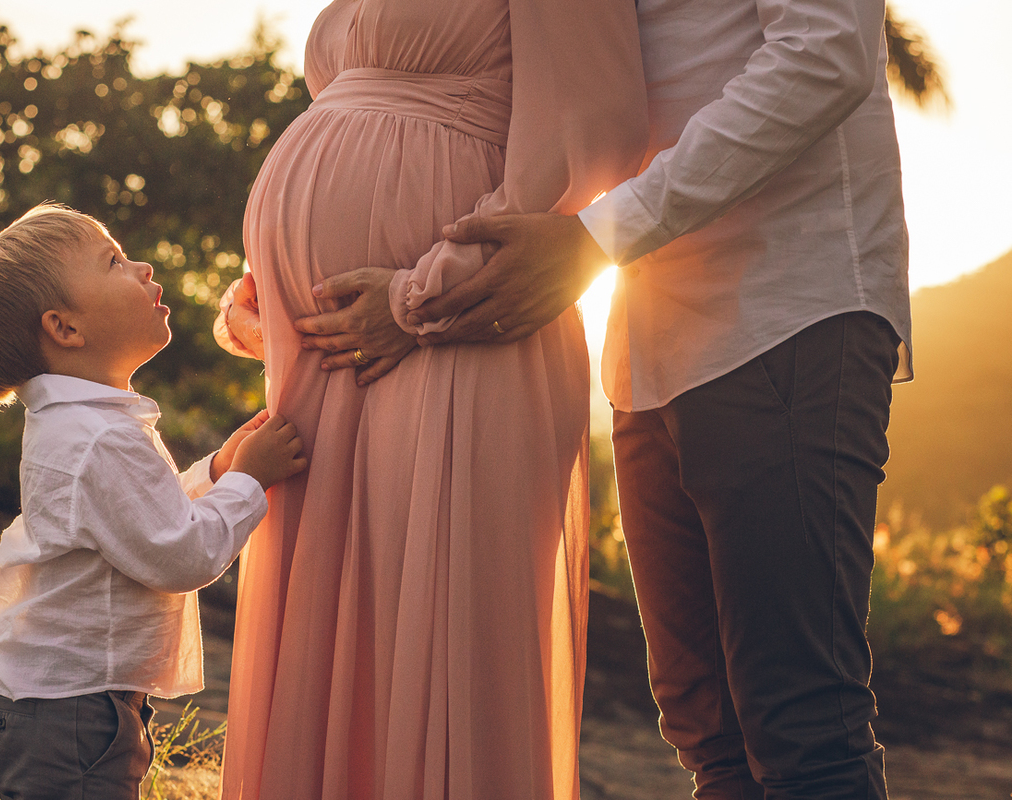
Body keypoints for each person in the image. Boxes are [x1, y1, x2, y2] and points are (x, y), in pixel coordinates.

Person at [282, 0, 914, 796]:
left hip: (783, 303)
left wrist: (597, 236)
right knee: (705, 727)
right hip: (650, 329)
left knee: (800, 722)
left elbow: (825, 56)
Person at [213, 1, 648, 798]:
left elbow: (593, 128)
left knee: (443, 645)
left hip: (461, 326)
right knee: (327, 633)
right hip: (337, 350)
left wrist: (425, 291)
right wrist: (264, 285)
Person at [0, 203, 307, 800]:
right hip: (71, 719)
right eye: (114, 262)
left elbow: (140, 521)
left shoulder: (83, 424)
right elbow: (180, 555)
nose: (144, 267)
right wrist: (249, 483)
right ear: (66, 329)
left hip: (59, 708)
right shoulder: (97, 436)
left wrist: (218, 471)